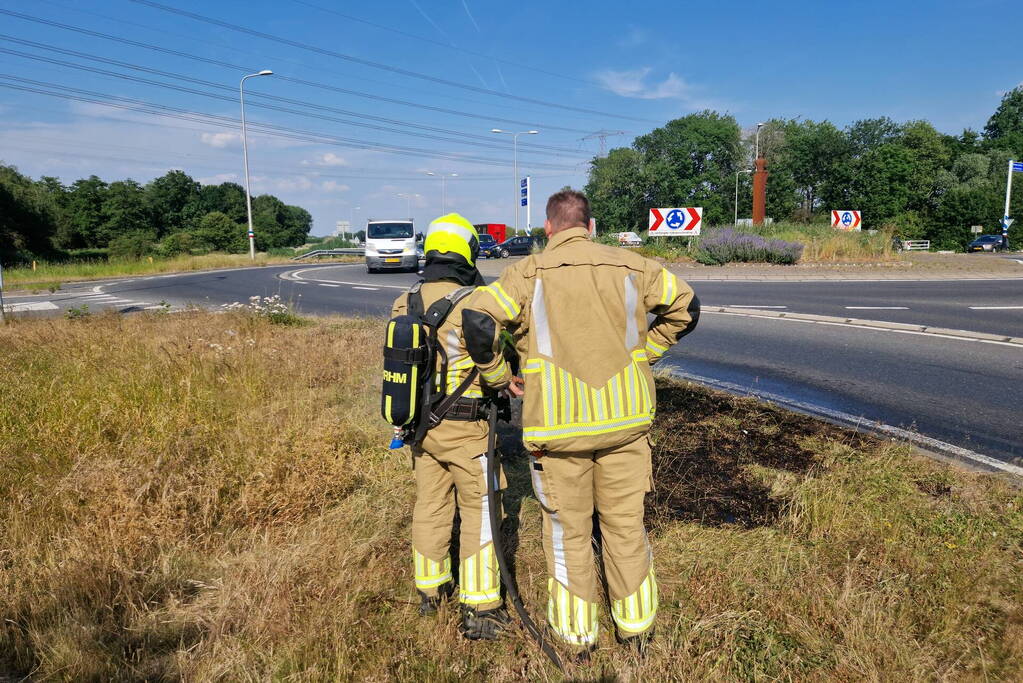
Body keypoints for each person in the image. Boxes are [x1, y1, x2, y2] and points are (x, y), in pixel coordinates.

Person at [460, 190, 700, 650]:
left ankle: (576, 636)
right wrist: (645, 354)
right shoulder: (634, 266)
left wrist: (497, 375)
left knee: (567, 533)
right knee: (625, 527)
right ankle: (637, 631)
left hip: (557, 432)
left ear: (548, 228)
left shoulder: (527, 272)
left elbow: (477, 320)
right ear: (590, 227)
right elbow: (687, 308)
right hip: (626, 425)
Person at [390, 213, 514, 640]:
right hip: (467, 429)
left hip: (421, 429)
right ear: (468, 252)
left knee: (431, 505)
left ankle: (431, 590)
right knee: (481, 511)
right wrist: (504, 379)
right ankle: (481, 608)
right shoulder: (475, 301)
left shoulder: (405, 300)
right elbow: (492, 359)